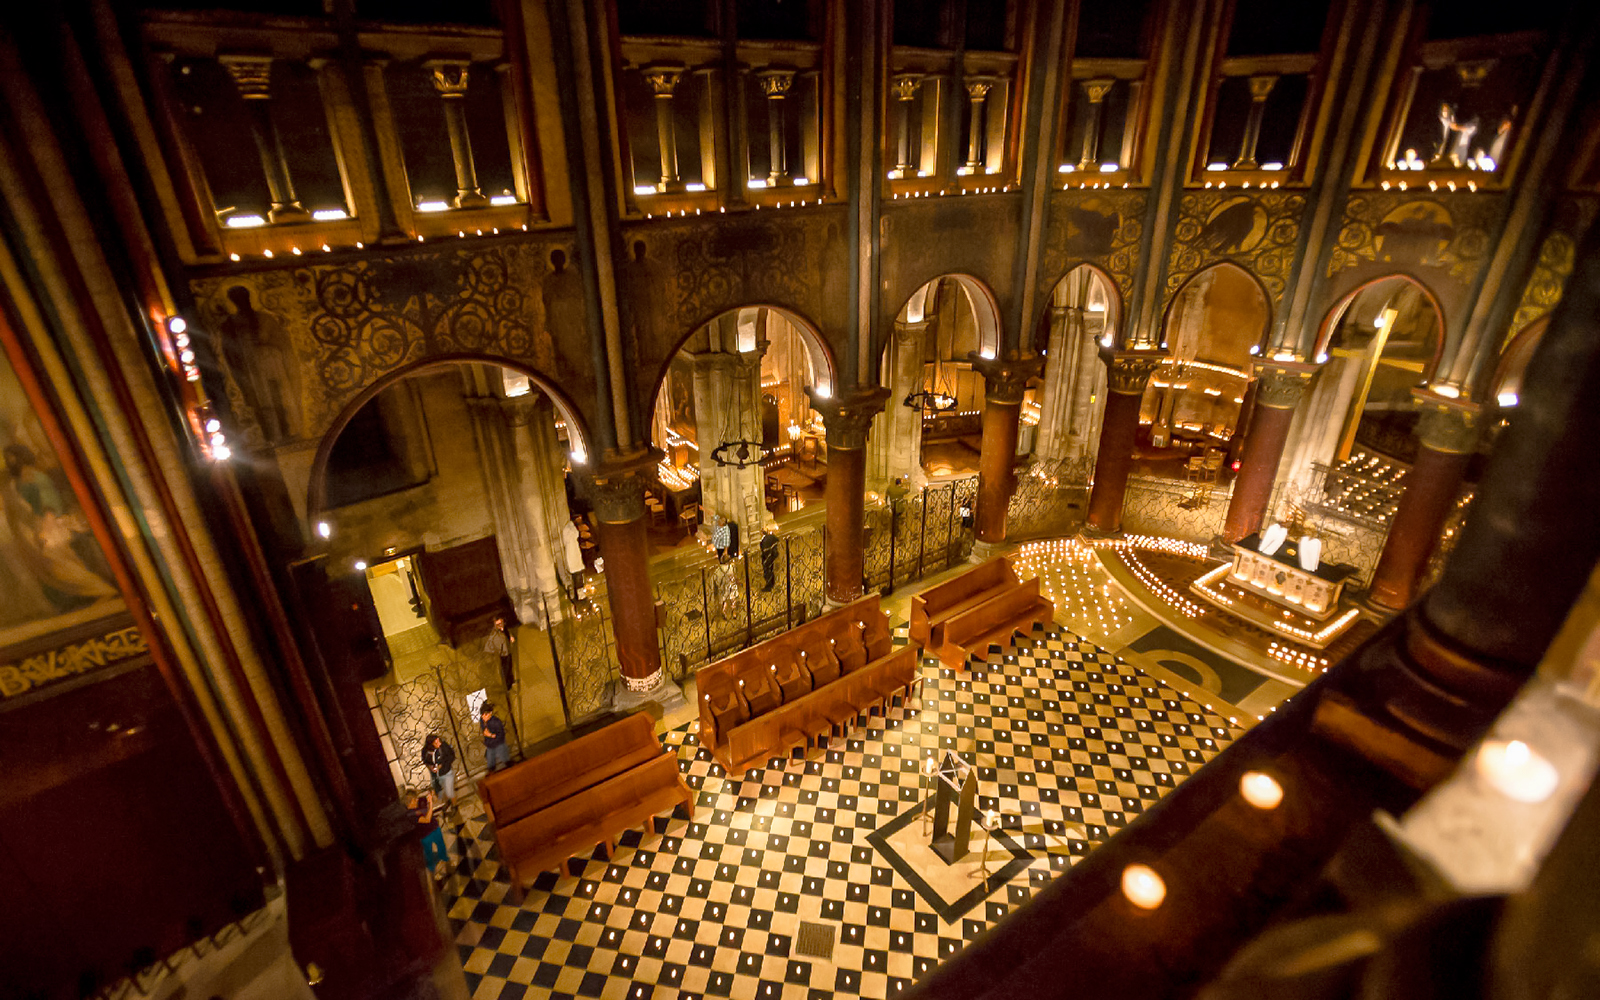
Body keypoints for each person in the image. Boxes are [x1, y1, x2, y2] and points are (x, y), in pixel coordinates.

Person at [405, 787, 449, 880]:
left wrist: (432, 796)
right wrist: (430, 803)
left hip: (433, 830)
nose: (417, 800)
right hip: (426, 836)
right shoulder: (410, 815)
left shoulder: (418, 804)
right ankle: (435, 875)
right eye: (415, 799)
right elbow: (427, 819)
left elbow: (433, 801)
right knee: (431, 855)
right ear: (411, 801)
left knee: (440, 848)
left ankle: (444, 865)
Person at [421, 733, 456, 811]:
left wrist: (442, 765)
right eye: (436, 742)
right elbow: (425, 760)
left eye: (439, 741)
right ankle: (447, 802)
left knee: (449, 790)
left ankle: (454, 806)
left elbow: (451, 756)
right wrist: (430, 767)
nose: (439, 743)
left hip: (446, 771)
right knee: (442, 791)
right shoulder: (426, 751)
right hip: (436, 774)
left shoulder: (443, 747)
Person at [483, 616, 515, 691]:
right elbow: (491, 644)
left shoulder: (504, 629)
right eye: (498, 624)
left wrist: (510, 637)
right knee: (505, 669)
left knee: (509, 666)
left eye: (501, 623)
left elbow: (507, 635)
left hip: (507, 651)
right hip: (502, 653)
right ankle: (507, 685)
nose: (500, 625)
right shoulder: (495, 634)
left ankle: (511, 680)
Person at [480, 702, 509, 772]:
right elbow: (484, 730)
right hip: (490, 744)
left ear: (490, 713)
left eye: (486, 714)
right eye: (483, 715)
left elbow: (501, 735)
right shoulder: (482, 721)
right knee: (490, 763)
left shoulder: (496, 722)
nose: (484, 717)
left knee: (505, 759)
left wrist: (490, 735)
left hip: (498, 743)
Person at [759, 524, 780, 591]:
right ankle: (772, 583)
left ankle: (769, 585)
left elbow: (765, 549)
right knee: (771, 569)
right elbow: (777, 540)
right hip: (772, 555)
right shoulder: (771, 537)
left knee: (767, 571)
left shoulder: (764, 540)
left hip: (767, 557)